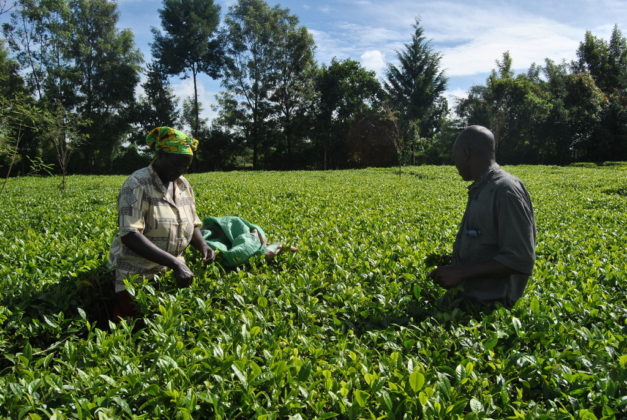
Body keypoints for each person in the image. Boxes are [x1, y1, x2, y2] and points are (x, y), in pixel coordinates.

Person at [108, 126, 214, 320]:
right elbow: (130, 235)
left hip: (171, 273)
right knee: (132, 326)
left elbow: (192, 222)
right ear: (160, 156)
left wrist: (203, 245)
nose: (181, 170)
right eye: (176, 164)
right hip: (137, 275)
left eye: (186, 166)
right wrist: (174, 263)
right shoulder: (137, 184)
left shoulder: (183, 185)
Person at [429, 125, 536, 308]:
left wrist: (461, 272)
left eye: (455, 156)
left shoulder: (505, 191)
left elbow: (520, 258)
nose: (455, 163)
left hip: (489, 309)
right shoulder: (482, 188)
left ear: (467, 153)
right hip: (465, 300)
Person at [201, 216, 297, 268]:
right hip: (216, 233)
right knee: (237, 256)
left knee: (242, 254)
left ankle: (262, 244)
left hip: (235, 230)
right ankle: (263, 245)